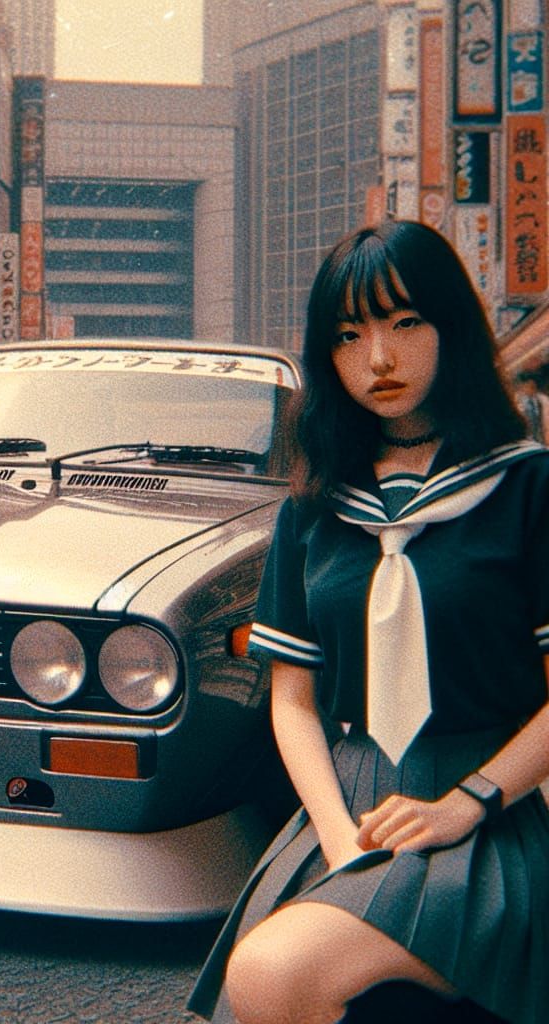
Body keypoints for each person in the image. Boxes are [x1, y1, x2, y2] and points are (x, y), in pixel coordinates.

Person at [188, 221, 549, 1024]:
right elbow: (293, 701)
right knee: (269, 983)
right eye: (349, 335)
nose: (378, 359)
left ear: (452, 327)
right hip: (346, 803)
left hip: (484, 809)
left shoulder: (526, 488)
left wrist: (467, 802)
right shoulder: (315, 506)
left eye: (405, 322)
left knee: (275, 974)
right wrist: (334, 834)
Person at [514, 371, 549, 444]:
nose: (531, 389)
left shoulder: (541, 399)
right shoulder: (520, 403)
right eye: (528, 386)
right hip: (529, 441)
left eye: (533, 386)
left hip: (541, 439)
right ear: (522, 387)